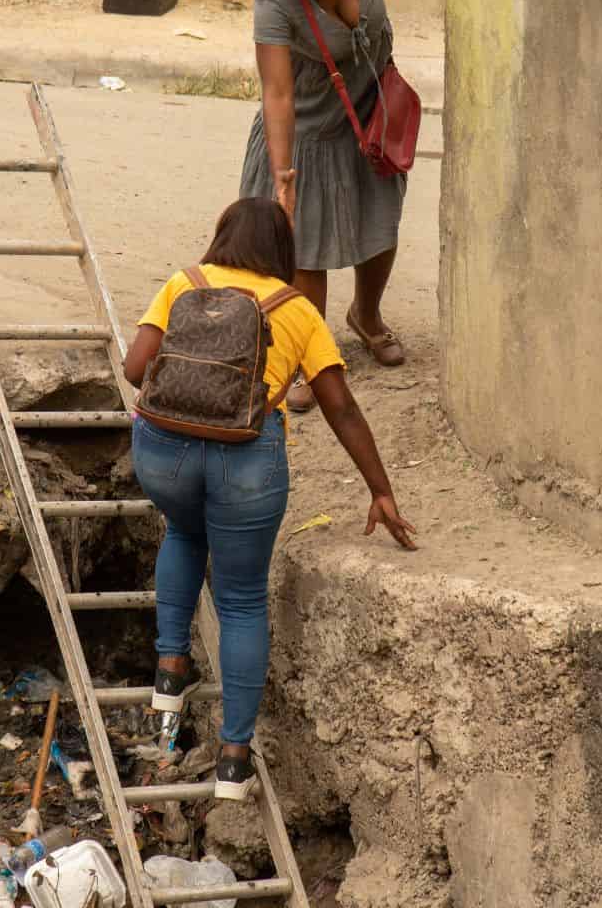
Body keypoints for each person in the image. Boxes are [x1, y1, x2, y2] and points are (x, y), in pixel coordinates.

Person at [124, 197, 417, 801]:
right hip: (247, 464)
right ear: (283, 252)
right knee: (240, 600)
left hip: (165, 455)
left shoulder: (186, 282)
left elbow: (134, 369)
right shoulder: (298, 309)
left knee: (183, 532)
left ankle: (169, 670)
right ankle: (234, 760)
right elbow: (340, 406)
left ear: (222, 234)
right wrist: (380, 490)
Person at [240, 0, 448, 410]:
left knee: (379, 225)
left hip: (370, 115)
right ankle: (312, 355)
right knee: (307, 250)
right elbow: (278, 93)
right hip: (307, 129)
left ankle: (367, 315)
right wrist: (284, 176)